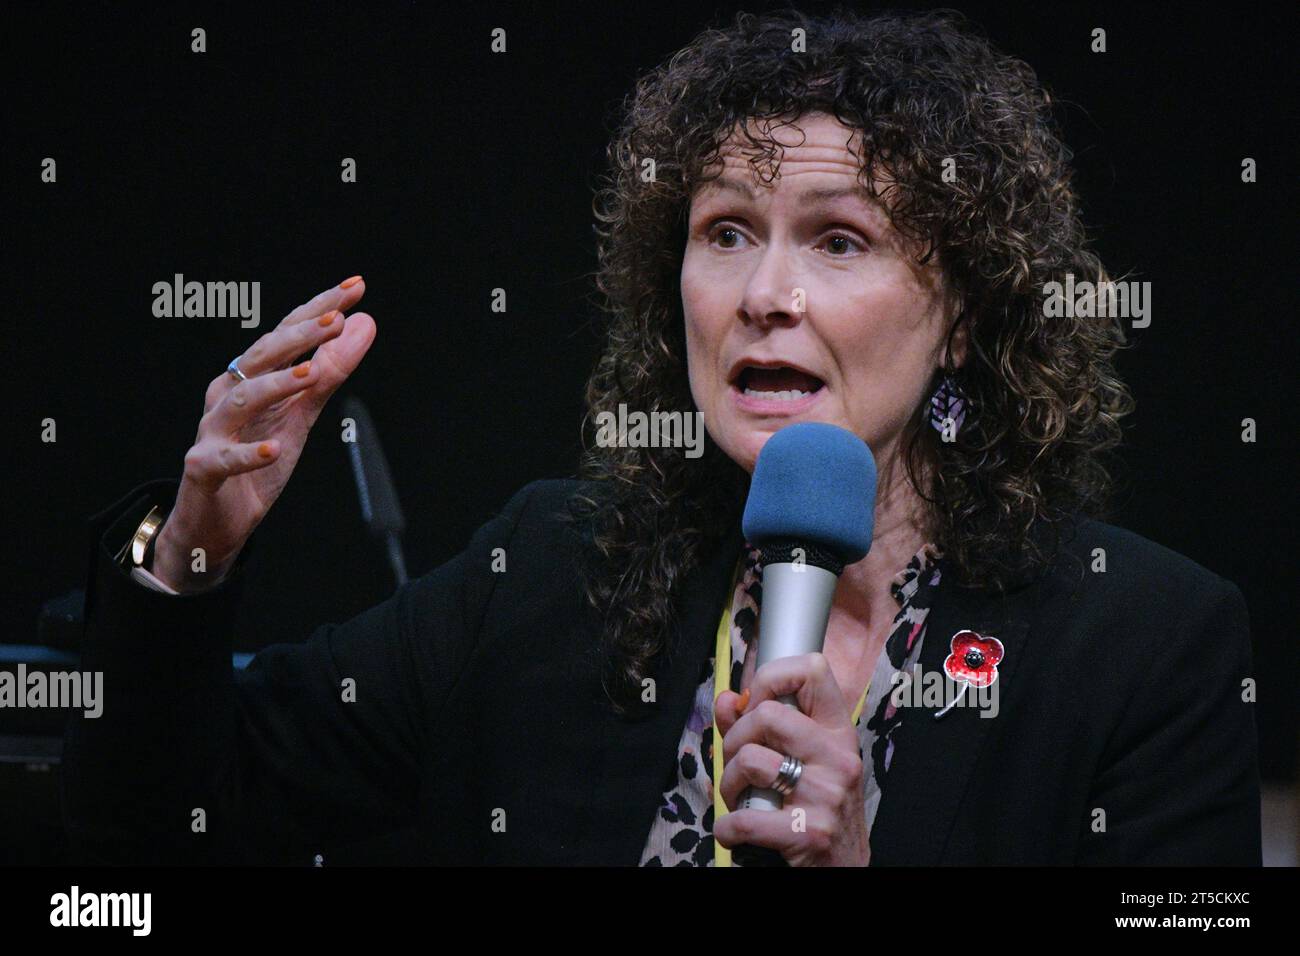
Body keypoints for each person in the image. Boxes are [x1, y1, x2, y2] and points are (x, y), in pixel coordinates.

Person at [62, 8, 1260, 866]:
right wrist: (193, 554)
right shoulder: (545, 570)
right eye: (726, 230)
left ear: (962, 313)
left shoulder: (1144, 642)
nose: (762, 293)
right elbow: (156, 834)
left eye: (838, 240)